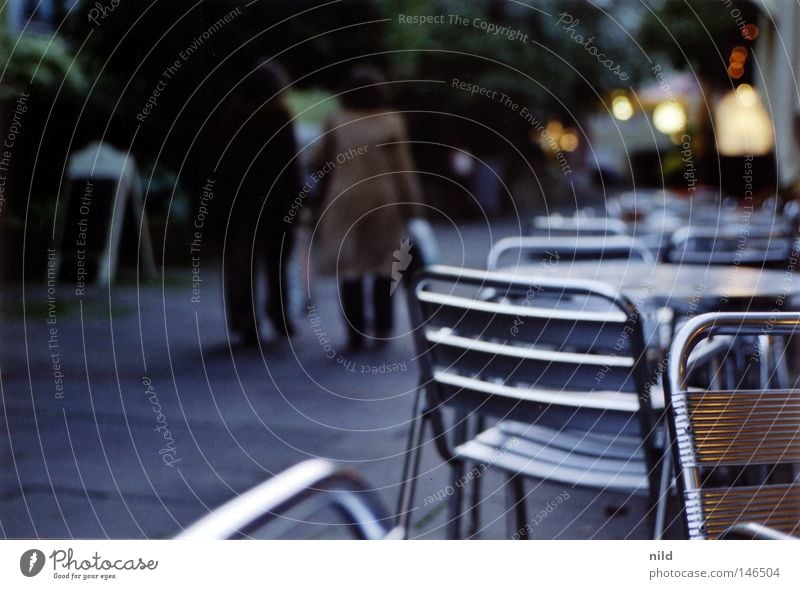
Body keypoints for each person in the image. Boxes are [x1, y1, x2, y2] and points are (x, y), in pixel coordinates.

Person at [315, 65, 423, 350]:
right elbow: (404, 168)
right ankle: (384, 326)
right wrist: (413, 205)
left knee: (349, 266)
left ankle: (355, 332)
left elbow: (317, 160)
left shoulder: (336, 120)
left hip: (344, 200)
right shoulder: (391, 121)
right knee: (384, 264)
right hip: (383, 200)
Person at [217, 61, 300, 345]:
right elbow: (291, 166)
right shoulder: (280, 116)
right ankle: (280, 316)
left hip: (240, 201)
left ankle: (245, 321)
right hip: (276, 201)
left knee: (242, 265)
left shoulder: (232, 116)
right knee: (277, 262)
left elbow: (222, 164)